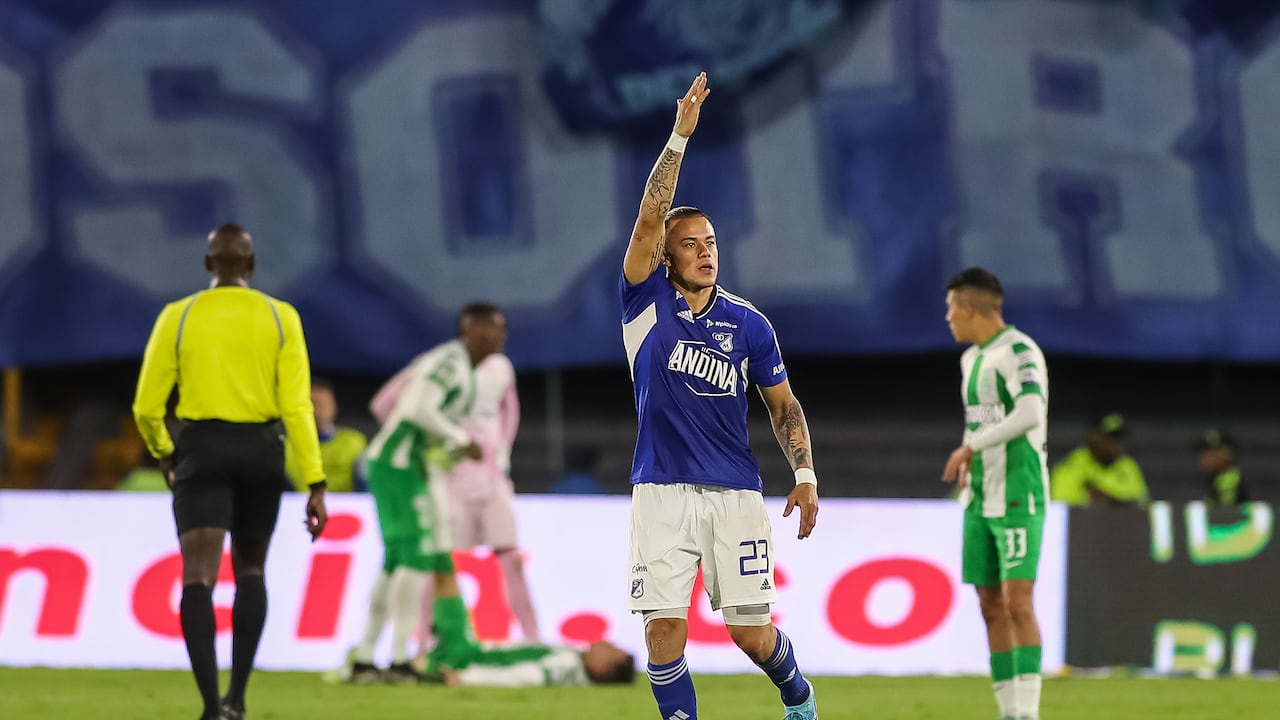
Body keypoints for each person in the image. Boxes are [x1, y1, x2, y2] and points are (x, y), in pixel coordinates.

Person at [620, 72, 819, 720]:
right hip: (661, 489)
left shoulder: (750, 323)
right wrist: (680, 136)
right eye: (690, 245)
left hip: (734, 493)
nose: (705, 253)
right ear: (665, 257)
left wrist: (805, 474)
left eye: (710, 243)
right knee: (662, 631)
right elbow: (649, 217)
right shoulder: (644, 301)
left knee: (750, 635)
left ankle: (798, 695)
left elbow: (783, 406)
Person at [132, 223, 328, 720]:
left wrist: (164, 452)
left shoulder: (178, 316)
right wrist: (315, 480)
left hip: (202, 449)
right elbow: (298, 406)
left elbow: (146, 406)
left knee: (198, 575)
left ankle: (209, 707)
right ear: (252, 265)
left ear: (207, 264)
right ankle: (237, 699)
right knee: (251, 571)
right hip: (262, 450)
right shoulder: (281, 317)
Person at [345, 302, 506, 684]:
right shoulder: (452, 363)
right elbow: (417, 409)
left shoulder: (462, 367)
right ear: (469, 328)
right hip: (398, 463)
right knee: (416, 557)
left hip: (407, 464)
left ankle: (365, 656)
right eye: (490, 327)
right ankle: (400, 659)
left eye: (502, 328)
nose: (499, 335)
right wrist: (460, 438)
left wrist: (448, 449)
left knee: (396, 561)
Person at [371, 345, 541, 659]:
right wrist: (426, 447)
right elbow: (385, 404)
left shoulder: (500, 367)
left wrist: (502, 450)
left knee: (510, 558)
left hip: (492, 482)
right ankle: (423, 645)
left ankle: (534, 641)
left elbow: (509, 410)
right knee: (435, 564)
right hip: (448, 481)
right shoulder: (442, 366)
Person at [941, 267, 1048, 720]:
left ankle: (1028, 713)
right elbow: (980, 422)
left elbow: (1029, 412)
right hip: (979, 497)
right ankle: (1009, 712)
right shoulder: (971, 360)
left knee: (1018, 602)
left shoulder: (1020, 351)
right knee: (990, 604)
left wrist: (970, 447)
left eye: (951, 309)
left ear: (969, 308)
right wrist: (971, 456)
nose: (948, 319)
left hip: (1019, 493)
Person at [435, 640, 635, 688]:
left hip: (465, 660)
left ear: (601, 668)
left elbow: (524, 676)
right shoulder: (573, 659)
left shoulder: (564, 667)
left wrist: (466, 678)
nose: (607, 642)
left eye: (612, 650)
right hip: (468, 655)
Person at [285, 378, 368, 492]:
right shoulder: (286, 445)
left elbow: (365, 482)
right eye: (311, 405)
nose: (316, 412)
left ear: (334, 407)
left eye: (322, 405)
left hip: (345, 502)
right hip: (300, 502)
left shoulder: (355, 442)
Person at [1050, 413, 1148, 508]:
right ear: (1095, 439)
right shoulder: (1070, 467)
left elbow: (1141, 504)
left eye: (1120, 439)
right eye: (1111, 439)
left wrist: (1111, 501)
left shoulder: (1128, 465)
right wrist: (1092, 502)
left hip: (1122, 519)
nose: (1118, 445)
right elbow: (1060, 507)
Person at [1198, 428, 1248, 506]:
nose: (1205, 455)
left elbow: (1225, 511)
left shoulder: (1229, 480)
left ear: (1229, 453)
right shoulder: (1213, 478)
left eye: (1212, 450)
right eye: (1204, 450)